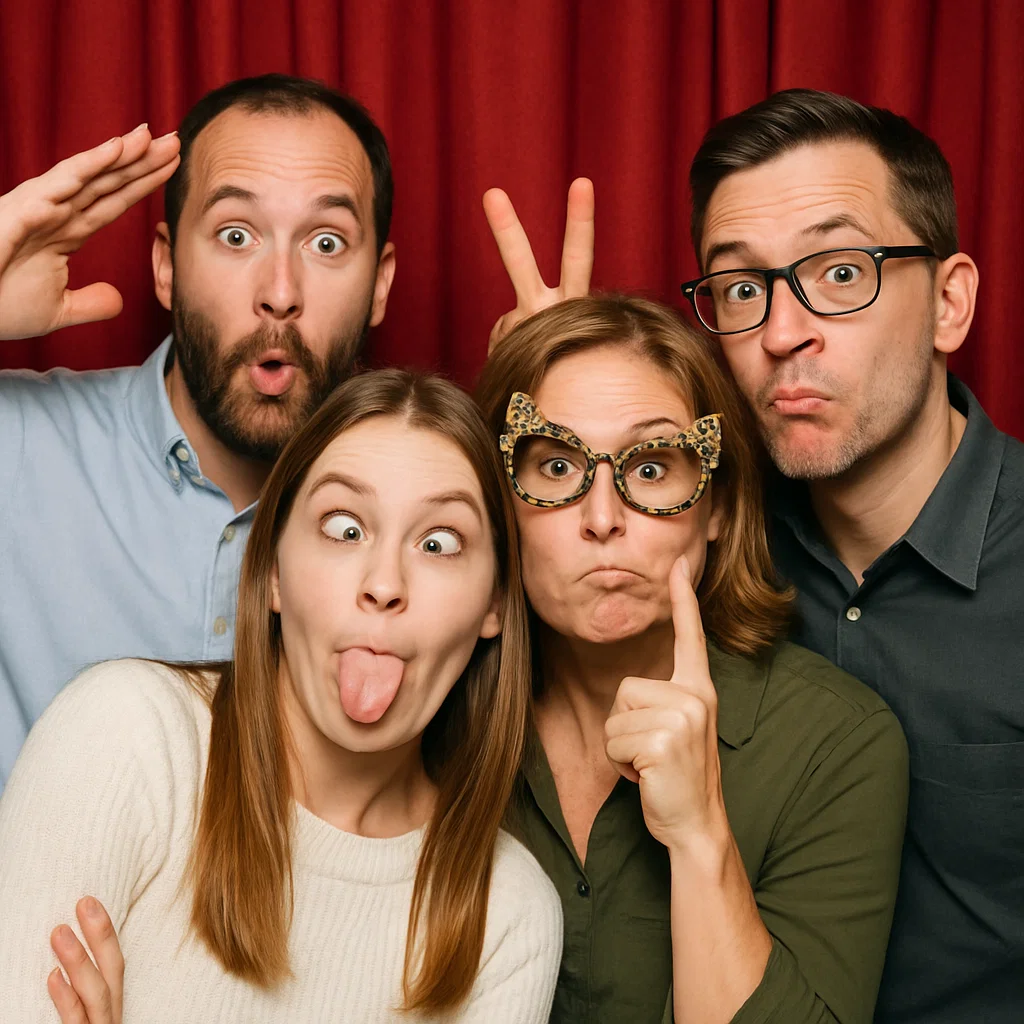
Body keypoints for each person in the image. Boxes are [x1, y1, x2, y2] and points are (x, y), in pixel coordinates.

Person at [485, 89, 1024, 1024]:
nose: (783, 332)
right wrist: (561, 385)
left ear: (949, 301)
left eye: (841, 272)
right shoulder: (686, 516)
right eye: (742, 288)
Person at [0, 368, 562, 1022]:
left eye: (438, 543)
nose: (384, 583)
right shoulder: (124, 737)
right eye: (346, 529)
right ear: (270, 573)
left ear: (494, 604)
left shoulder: (510, 918)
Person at [477, 295, 908, 1023]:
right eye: (555, 465)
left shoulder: (836, 744)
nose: (603, 519)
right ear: (496, 501)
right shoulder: (442, 710)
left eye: (651, 469)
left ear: (717, 509)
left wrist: (700, 831)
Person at [0, 73, 397, 786]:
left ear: (381, 285)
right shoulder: (21, 446)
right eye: (236, 234)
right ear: (165, 265)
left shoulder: (426, 518)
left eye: (328, 242)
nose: (281, 292)